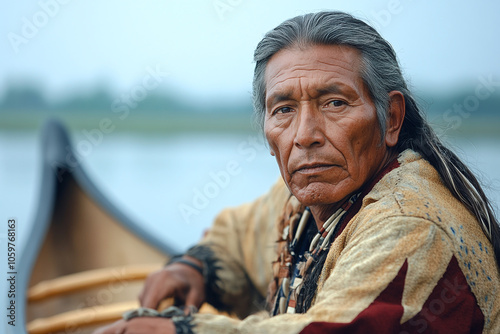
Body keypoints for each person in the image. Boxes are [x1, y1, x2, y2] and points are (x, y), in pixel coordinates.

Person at [94, 11, 500, 334]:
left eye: (335, 103)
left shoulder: (410, 223)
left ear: (390, 118)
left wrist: (180, 330)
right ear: (268, 129)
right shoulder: (309, 194)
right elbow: (238, 234)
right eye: (284, 110)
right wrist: (195, 267)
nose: (304, 136)